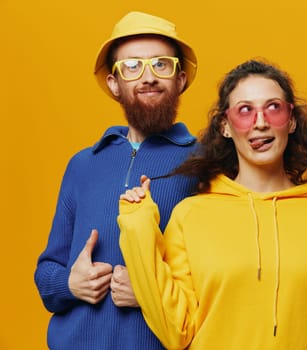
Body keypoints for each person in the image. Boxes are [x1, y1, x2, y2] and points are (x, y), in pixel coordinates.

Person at [118, 59, 307, 350]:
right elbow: (175, 331)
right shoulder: (190, 215)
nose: (260, 122)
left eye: (273, 108)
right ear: (225, 126)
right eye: (245, 110)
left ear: (292, 120)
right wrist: (137, 226)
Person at [34, 11, 199, 349]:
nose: (148, 77)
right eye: (132, 66)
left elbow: (224, 283)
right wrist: (70, 283)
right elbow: (46, 273)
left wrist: (153, 293)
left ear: (180, 79)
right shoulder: (82, 165)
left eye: (161, 65)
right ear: (113, 83)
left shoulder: (208, 163)